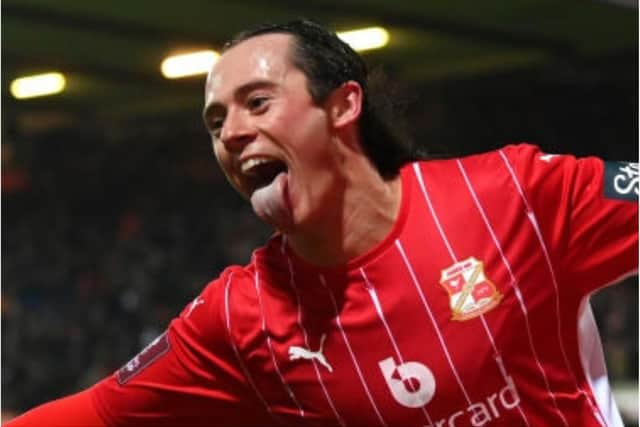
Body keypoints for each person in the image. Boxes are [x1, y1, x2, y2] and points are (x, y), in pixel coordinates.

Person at [6, 19, 637, 427]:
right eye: (215, 122)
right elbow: (100, 414)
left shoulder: (512, 197)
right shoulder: (240, 316)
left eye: (257, 102)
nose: (231, 133)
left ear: (343, 106)